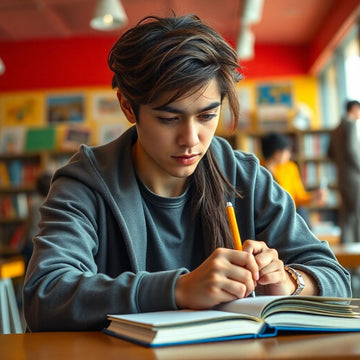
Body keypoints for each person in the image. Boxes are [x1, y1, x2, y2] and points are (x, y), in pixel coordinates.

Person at [23, 15, 351, 332]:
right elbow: (45, 294)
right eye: (169, 119)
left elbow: (336, 279)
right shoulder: (84, 183)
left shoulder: (245, 176)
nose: (191, 139)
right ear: (127, 106)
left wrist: (289, 282)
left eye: (208, 116)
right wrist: (178, 289)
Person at [260, 132, 327, 226]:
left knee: (300, 212)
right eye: (287, 151)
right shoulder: (258, 168)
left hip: (287, 212)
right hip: (268, 213)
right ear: (277, 153)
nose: (289, 154)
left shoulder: (290, 168)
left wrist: (314, 196)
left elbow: (298, 197)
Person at [328, 100, 360, 244]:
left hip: (342, 178)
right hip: (354, 178)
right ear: (354, 108)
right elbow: (353, 151)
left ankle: (347, 258)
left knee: (346, 218)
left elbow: (329, 153)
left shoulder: (336, 128)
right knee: (357, 216)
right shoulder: (350, 124)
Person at [21, 172, 52, 267]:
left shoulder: (33, 204)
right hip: (49, 244)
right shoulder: (55, 203)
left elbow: (27, 228)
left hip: (32, 244)